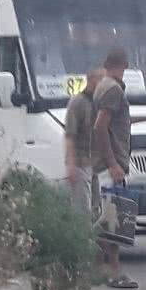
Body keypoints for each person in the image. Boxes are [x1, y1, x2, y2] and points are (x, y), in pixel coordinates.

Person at [92, 48, 146, 288]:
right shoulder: (113, 89)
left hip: (105, 163)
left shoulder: (102, 87)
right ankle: (114, 272)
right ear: (124, 65)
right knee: (114, 222)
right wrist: (113, 163)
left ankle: (99, 270)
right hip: (111, 164)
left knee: (106, 219)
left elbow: (118, 120)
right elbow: (100, 126)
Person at [64, 67, 105, 215]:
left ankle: (93, 237)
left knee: (96, 210)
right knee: (82, 209)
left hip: (95, 165)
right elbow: (70, 136)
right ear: (92, 81)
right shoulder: (77, 103)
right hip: (81, 164)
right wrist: (71, 165)